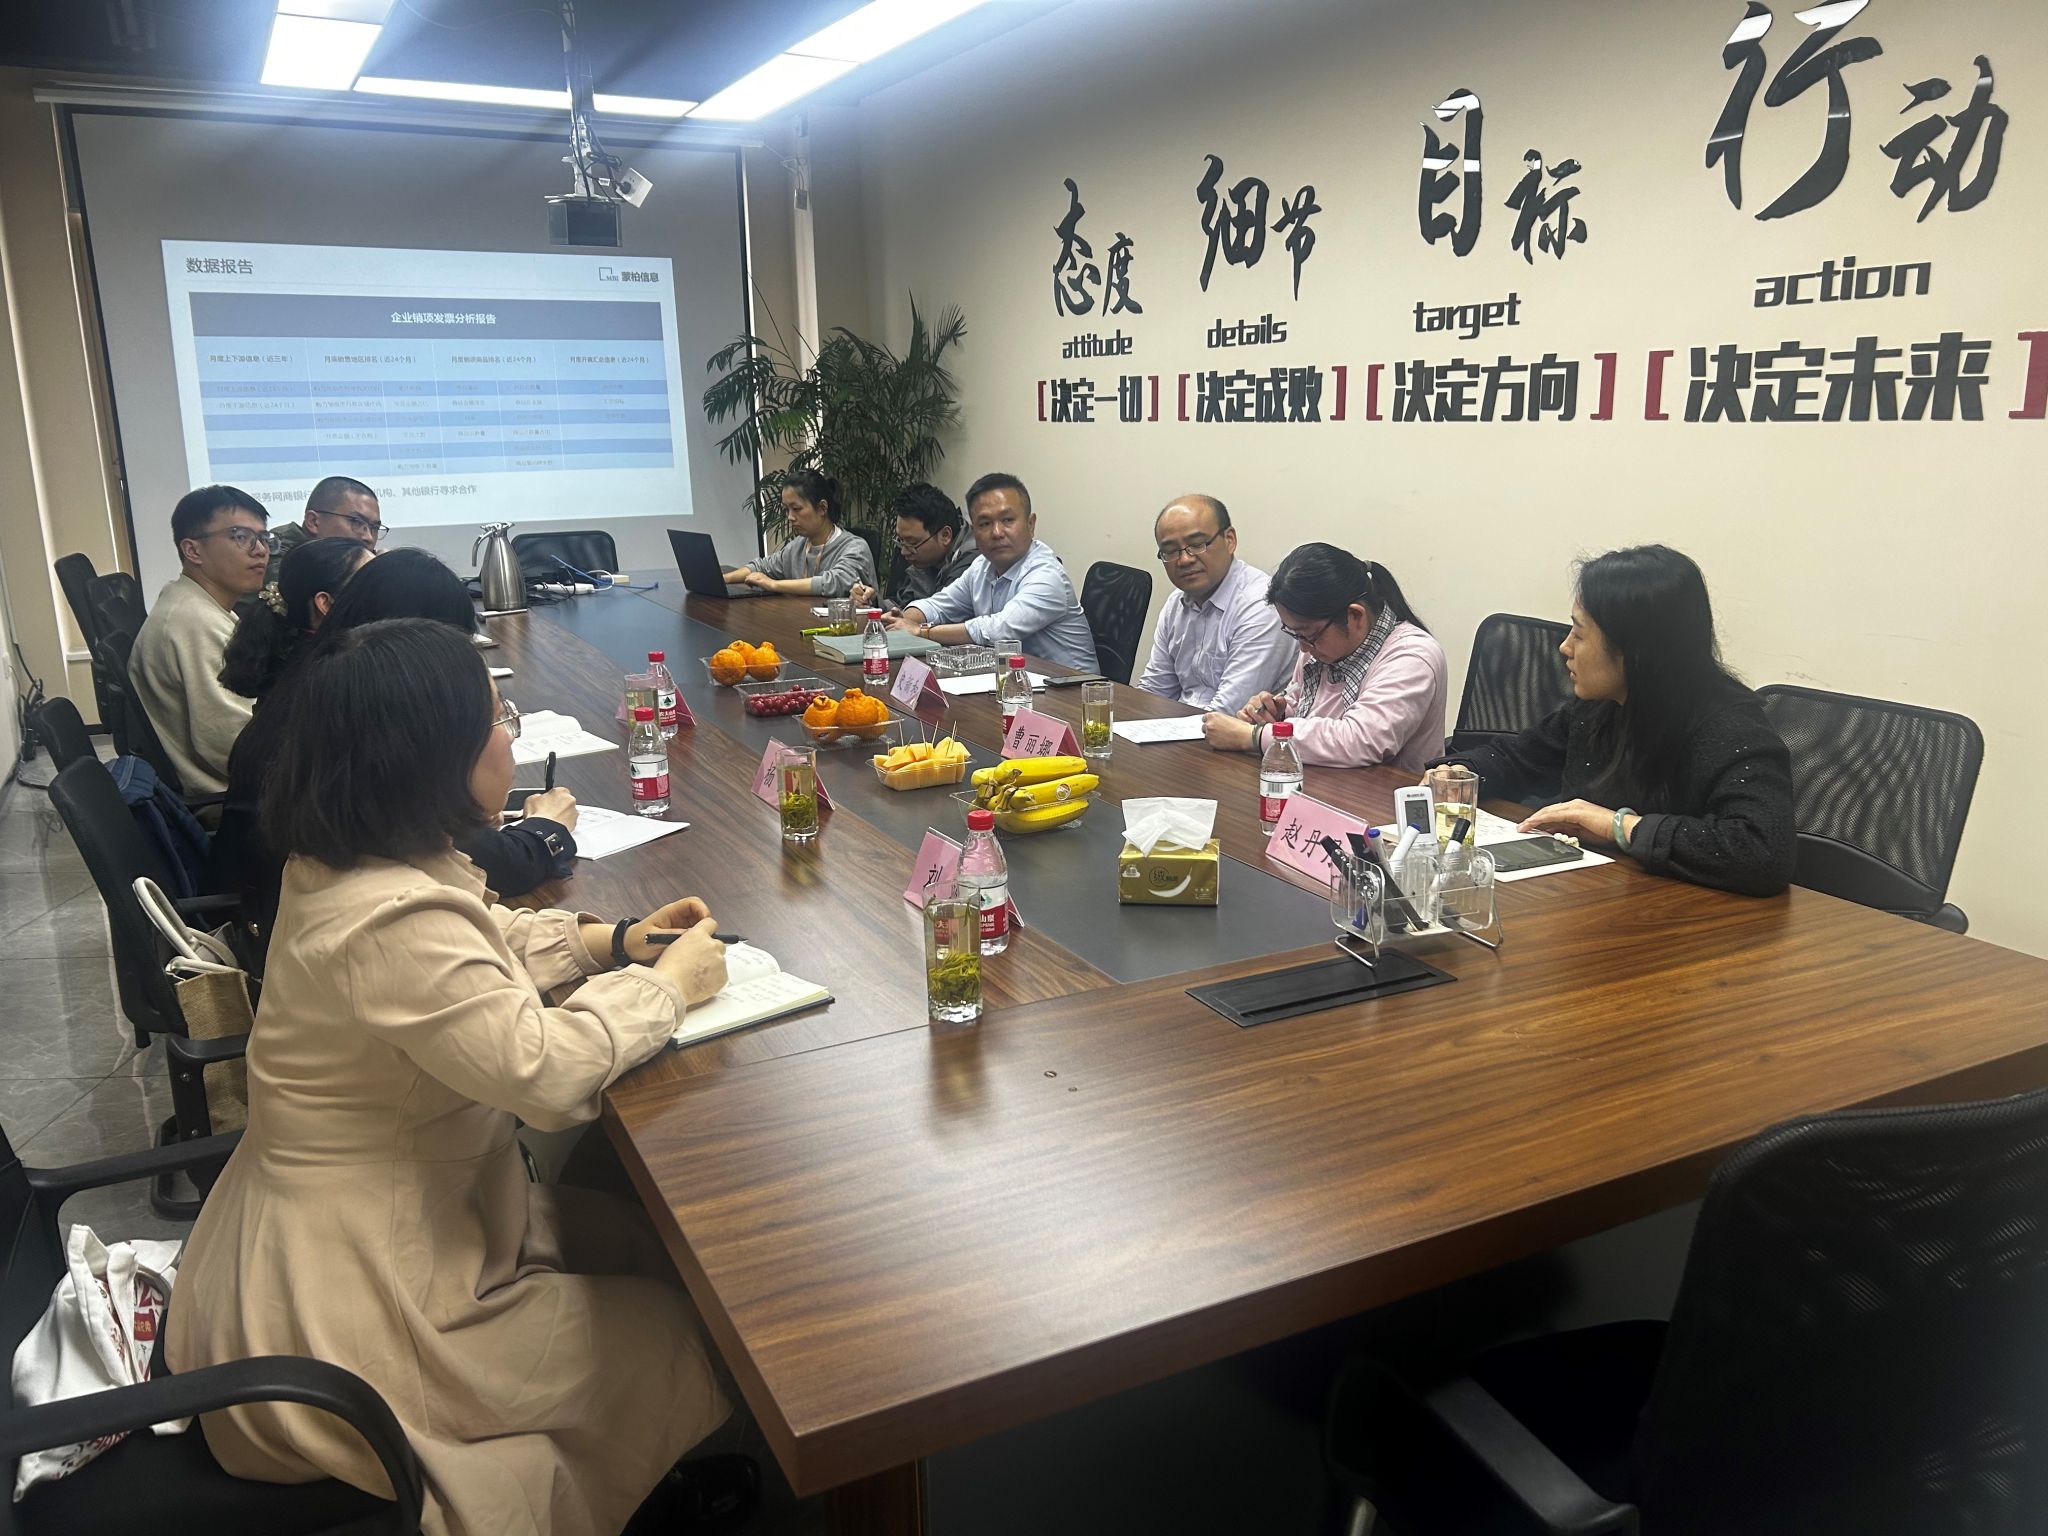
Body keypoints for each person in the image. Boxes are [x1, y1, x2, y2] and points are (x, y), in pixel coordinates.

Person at [169, 618, 735, 1536]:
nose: (510, 739)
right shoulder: (389, 915)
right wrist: (664, 988)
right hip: (354, 1309)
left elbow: (474, 944)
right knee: (679, 1332)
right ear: (433, 758)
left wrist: (611, 941)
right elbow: (544, 1072)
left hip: (351, 1235)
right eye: (496, 721)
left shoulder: (344, 861)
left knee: (643, 1246)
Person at [207, 549, 581, 948]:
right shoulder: (349, 724)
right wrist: (547, 828)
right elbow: (487, 864)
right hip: (306, 936)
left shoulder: (320, 684)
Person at [1430, 544, 1796, 897]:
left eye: (1579, 634)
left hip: (1697, 924)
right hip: (1606, 898)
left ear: (1635, 651)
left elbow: (1762, 853)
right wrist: (1462, 771)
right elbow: (1520, 757)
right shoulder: (1601, 706)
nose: (1564, 647)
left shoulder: (1732, 729)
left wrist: (1620, 827)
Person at [1203, 542, 1446, 771]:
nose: (1303, 649)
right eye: (1295, 635)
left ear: (1355, 616)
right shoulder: (1320, 647)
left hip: (1385, 795)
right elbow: (1306, 711)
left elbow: (1360, 741)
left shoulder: (1413, 656)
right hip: (1322, 783)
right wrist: (1278, 714)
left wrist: (1255, 737)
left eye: (1308, 635)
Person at [129, 484, 271, 796]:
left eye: (263, 537)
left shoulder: (196, 605)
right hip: (231, 801)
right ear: (193, 551)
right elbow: (234, 745)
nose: (260, 550)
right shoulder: (192, 622)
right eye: (241, 536)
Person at [887, 471, 1100, 671]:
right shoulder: (981, 567)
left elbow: (999, 630)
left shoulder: (1047, 575)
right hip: (1015, 682)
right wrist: (905, 619)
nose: (997, 532)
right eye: (985, 523)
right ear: (974, 532)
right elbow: (939, 605)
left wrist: (920, 631)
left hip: (1071, 689)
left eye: (1007, 520)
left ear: (1030, 524)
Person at [1137, 493, 1295, 714]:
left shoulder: (1261, 605)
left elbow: (1228, 713)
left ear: (1230, 540)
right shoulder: (1176, 603)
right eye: (1170, 551)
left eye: (1197, 544)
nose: (1184, 559)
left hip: (1233, 732)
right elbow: (1154, 691)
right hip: (1180, 727)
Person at [219, 535, 374, 700]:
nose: (385, 589)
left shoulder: (296, 664)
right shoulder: (336, 679)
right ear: (325, 603)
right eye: (373, 582)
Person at [722, 469, 876, 596]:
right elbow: (763, 566)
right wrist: (724, 579)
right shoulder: (799, 545)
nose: (790, 517)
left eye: (796, 509)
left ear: (822, 508)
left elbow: (833, 582)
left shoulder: (855, 547)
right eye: (786, 509)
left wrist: (773, 584)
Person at [849, 482, 976, 610]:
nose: (904, 551)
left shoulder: (972, 561)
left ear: (945, 535)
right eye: (900, 540)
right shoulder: (927, 560)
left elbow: (942, 612)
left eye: (912, 543)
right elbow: (901, 606)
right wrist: (872, 601)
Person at [268, 474, 385, 574]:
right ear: (313, 522)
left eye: (374, 528)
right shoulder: (276, 553)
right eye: (356, 522)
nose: (369, 537)